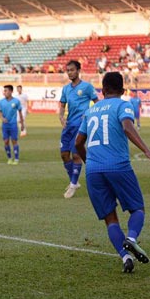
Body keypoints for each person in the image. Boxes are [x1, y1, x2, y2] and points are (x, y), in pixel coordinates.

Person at [75, 72, 150, 273]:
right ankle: (131, 239)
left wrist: (89, 163)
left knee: (110, 218)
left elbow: (78, 143)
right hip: (118, 166)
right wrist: (147, 150)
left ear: (102, 90)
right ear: (122, 91)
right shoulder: (123, 105)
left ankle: (125, 257)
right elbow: (127, 127)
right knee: (137, 209)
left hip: (94, 171)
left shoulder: (91, 111)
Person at [59, 60, 98, 199]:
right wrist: (61, 117)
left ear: (78, 70)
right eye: (67, 70)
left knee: (76, 155)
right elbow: (62, 105)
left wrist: (89, 114)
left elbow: (97, 103)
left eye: (72, 70)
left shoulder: (87, 87)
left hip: (81, 125)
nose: (69, 72)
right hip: (69, 125)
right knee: (64, 154)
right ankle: (73, 181)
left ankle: (73, 183)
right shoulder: (66, 89)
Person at [0, 85, 25, 165]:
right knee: (6, 141)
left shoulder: (16, 101)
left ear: (10, 91)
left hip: (13, 124)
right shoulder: (2, 101)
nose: (4, 92)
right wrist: (2, 118)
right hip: (5, 125)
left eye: (6, 91)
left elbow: (20, 113)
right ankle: (9, 158)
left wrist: (22, 124)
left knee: (14, 141)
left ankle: (16, 159)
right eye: (4, 91)